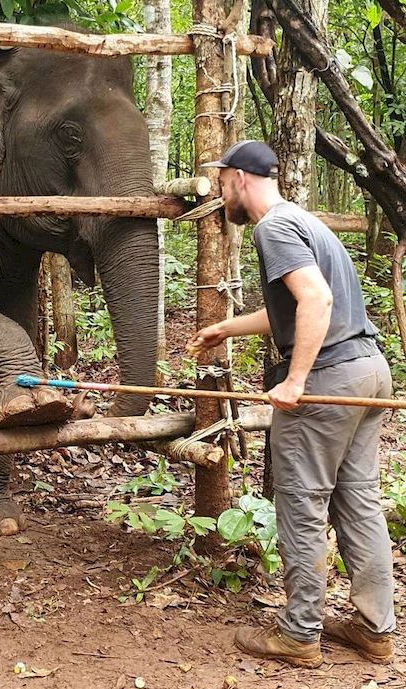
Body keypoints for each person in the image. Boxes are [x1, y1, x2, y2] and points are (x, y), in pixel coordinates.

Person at [188, 140, 395, 668]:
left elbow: (317, 300)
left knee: (301, 503)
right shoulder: (305, 222)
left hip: (328, 380)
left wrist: (296, 379)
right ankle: (376, 628)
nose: (219, 191)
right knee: (359, 501)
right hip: (367, 371)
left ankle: (299, 632)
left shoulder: (272, 228)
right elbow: (302, 301)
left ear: (238, 178)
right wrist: (227, 328)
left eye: (221, 180)